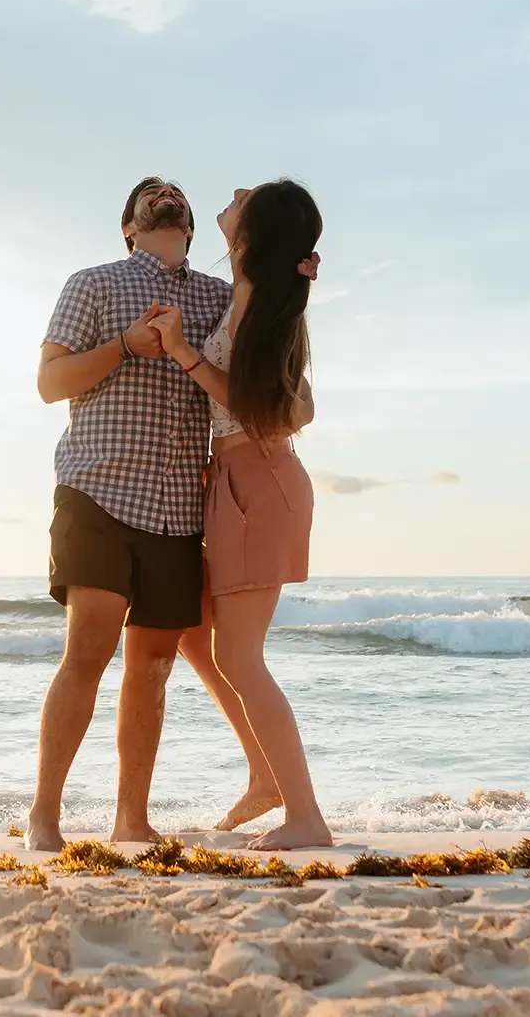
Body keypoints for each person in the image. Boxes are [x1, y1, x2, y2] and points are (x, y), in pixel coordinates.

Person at [26, 178, 233, 852]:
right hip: (98, 492)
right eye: (148, 194)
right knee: (88, 644)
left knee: (153, 666)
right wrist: (123, 345)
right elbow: (50, 384)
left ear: (191, 227)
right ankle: (45, 818)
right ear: (129, 227)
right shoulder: (92, 283)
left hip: (178, 508)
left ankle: (130, 820)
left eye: (173, 192)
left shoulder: (218, 297)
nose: (163, 193)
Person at [147, 180, 332, 851]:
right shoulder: (253, 299)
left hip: (260, 483)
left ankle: (306, 816)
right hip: (233, 480)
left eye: (246, 196)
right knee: (196, 632)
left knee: (242, 656)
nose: (234, 191)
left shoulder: (261, 304)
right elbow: (292, 401)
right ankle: (263, 776)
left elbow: (278, 409)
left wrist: (184, 354)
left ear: (245, 238)